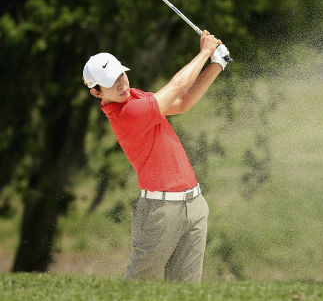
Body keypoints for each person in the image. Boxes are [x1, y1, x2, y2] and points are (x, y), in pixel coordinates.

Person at [82, 31, 230, 282]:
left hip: (193, 204)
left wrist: (217, 64)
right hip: (160, 211)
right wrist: (205, 52)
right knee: (139, 286)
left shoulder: (135, 96)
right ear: (97, 93)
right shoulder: (126, 114)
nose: (121, 83)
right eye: (111, 81)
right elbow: (177, 85)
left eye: (121, 74)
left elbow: (182, 102)